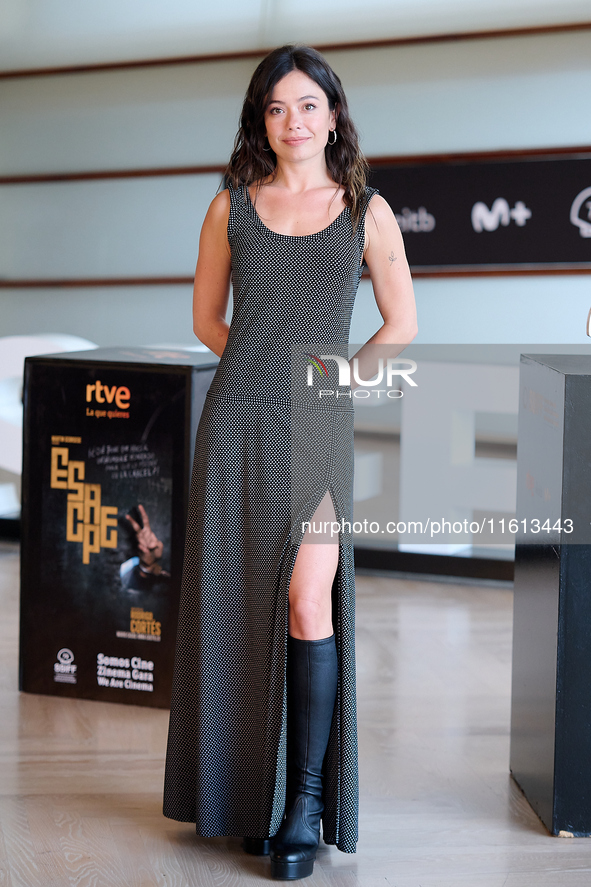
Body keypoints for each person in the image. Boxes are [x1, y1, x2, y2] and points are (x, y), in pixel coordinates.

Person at [163, 44, 417, 880]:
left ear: (333, 116)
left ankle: (303, 804)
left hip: (316, 427)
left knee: (310, 600)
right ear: (260, 121)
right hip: (235, 421)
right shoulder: (228, 206)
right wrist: (262, 373)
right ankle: (246, 800)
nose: (293, 121)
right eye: (276, 108)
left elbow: (400, 323)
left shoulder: (363, 209)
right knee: (237, 606)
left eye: (307, 105)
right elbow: (206, 319)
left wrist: (326, 384)